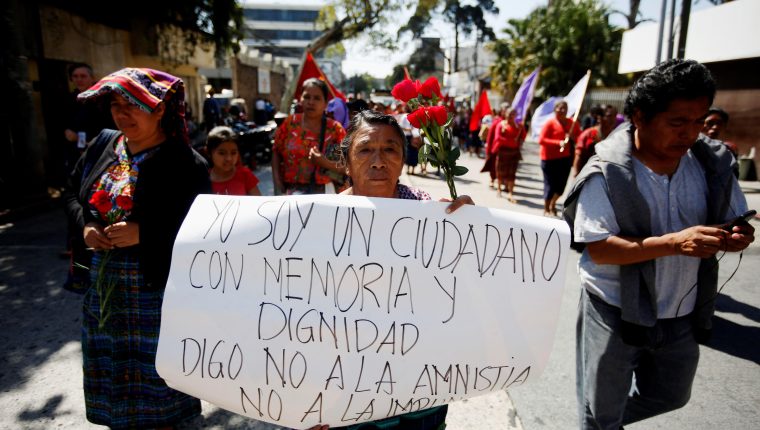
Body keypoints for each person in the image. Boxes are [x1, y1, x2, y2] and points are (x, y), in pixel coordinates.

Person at [563, 59, 755, 430]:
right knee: (600, 409)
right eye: (677, 122)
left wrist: (736, 237)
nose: (690, 133)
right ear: (639, 116)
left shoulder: (712, 164)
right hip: (613, 308)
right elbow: (600, 249)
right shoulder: (606, 172)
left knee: (671, 395)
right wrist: (674, 243)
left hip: (680, 311)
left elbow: (735, 218)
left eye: (698, 121)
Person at [306, 109, 473, 430]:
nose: (378, 161)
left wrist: (470, 231)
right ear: (346, 160)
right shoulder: (317, 222)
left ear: (403, 156)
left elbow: (459, 289)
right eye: (366, 149)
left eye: (390, 149)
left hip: (418, 392)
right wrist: (306, 400)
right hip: (346, 393)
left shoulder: (431, 213)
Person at [63, 67, 210, 428]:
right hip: (104, 285)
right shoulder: (103, 146)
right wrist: (88, 226)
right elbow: (72, 195)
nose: (121, 114)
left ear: (159, 109)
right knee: (112, 360)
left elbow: (205, 227)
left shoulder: (185, 163)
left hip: (155, 289)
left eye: (132, 106)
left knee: (155, 369)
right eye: (116, 105)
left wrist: (146, 233)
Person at [272, 78, 347, 195]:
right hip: (292, 192)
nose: (311, 102)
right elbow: (276, 151)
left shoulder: (335, 129)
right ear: (300, 99)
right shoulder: (290, 123)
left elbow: (349, 167)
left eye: (317, 98)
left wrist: (324, 163)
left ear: (325, 103)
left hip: (325, 194)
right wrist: (277, 181)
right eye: (307, 97)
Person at [62, 63, 115, 184]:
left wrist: (81, 138)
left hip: (100, 149)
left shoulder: (102, 99)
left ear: (91, 78)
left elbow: (107, 125)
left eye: (83, 76)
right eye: (75, 76)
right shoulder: (70, 99)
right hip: (76, 152)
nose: (79, 80)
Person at [538, 100, 580, 217]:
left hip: (564, 159)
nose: (562, 111)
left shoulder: (573, 123)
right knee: (550, 185)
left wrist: (573, 137)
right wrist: (558, 143)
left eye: (565, 108)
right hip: (549, 159)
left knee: (561, 186)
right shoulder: (550, 123)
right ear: (555, 109)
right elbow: (542, 140)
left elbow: (579, 138)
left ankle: (553, 203)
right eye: (560, 108)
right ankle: (546, 207)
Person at [206, 125, 261, 195]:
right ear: (209, 152)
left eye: (233, 153)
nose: (229, 158)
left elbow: (258, 202)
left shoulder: (245, 175)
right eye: (222, 153)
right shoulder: (204, 178)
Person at [572, 105, 618, 176]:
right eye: (609, 116)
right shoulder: (588, 134)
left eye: (615, 116)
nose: (613, 119)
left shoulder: (616, 136)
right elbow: (578, 155)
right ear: (599, 117)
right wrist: (576, 174)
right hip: (586, 175)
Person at [493, 107, 526, 202]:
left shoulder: (518, 126)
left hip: (514, 153)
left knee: (512, 173)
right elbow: (498, 138)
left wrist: (523, 129)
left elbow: (523, 137)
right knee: (500, 171)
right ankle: (499, 188)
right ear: (505, 114)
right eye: (509, 114)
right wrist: (511, 141)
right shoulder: (501, 125)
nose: (511, 116)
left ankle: (510, 192)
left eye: (513, 114)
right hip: (502, 152)